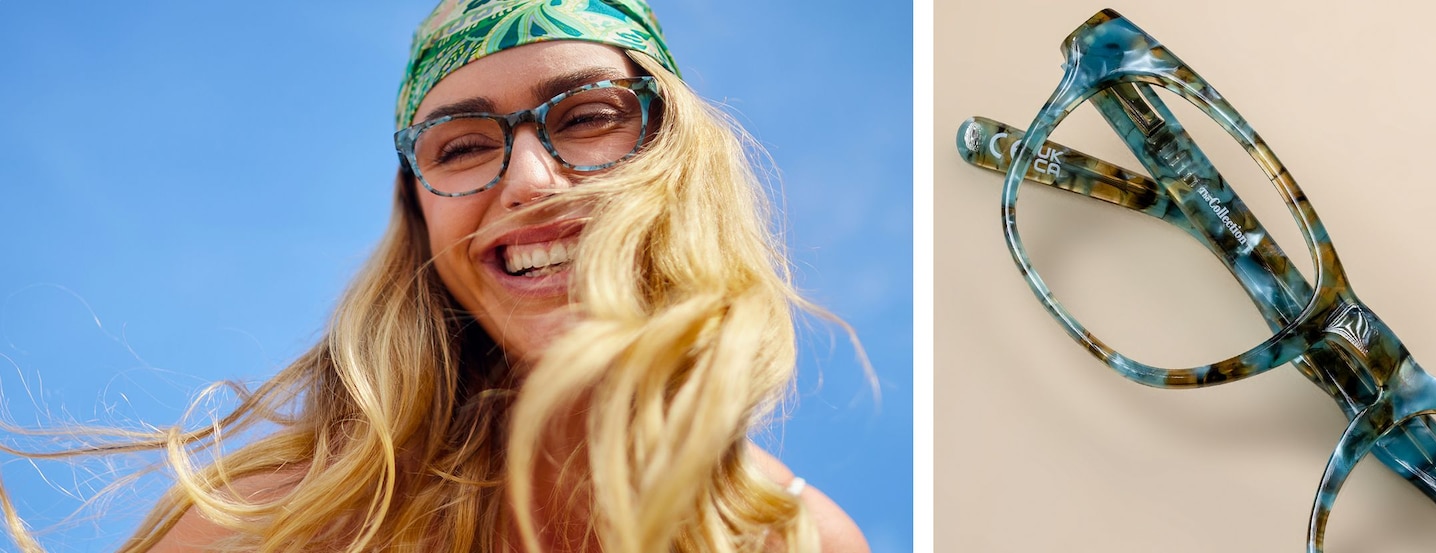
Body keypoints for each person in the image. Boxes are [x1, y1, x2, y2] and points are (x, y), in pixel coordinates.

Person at [0, 1, 870, 552]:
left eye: (588, 116)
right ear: (420, 216)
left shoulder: (796, 538)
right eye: (461, 146)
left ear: (678, 155)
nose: (527, 181)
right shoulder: (279, 523)